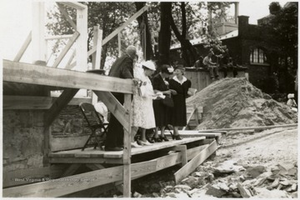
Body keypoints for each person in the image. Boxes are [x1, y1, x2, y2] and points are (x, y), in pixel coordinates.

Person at [104, 45, 137, 151]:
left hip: (113, 90)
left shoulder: (118, 60)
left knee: (116, 117)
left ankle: (117, 142)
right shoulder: (128, 59)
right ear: (133, 54)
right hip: (120, 91)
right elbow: (125, 71)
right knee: (118, 118)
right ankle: (112, 144)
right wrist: (132, 80)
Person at [131, 60, 157, 147]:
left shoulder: (147, 78)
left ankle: (143, 138)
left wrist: (154, 94)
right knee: (138, 120)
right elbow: (141, 90)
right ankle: (131, 139)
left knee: (145, 120)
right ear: (148, 69)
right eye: (151, 71)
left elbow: (149, 90)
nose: (152, 74)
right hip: (140, 101)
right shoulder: (139, 76)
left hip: (147, 101)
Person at [151, 64, 176, 142]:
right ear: (163, 72)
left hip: (164, 101)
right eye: (167, 74)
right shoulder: (156, 78)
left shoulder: (165, 79)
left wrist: (169, 91)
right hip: (158, 100)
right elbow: (154, 90)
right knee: (158, 117)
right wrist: (165, 92)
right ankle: (156, 134)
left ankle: (162, 134)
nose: (168, 75)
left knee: (164, 117)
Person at [169, 66, 191, 140]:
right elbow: (168, 90)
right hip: (174, 100)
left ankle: (175, 134)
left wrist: (190, 93)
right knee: (175, 115)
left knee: (180, 116)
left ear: (182, 72)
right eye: (175, 71)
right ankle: (176, 133)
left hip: (182, 100)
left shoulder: (187, 81)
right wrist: (171, 91)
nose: (176, 72)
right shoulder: (171, 81)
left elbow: (188, 91)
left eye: (178, 71)